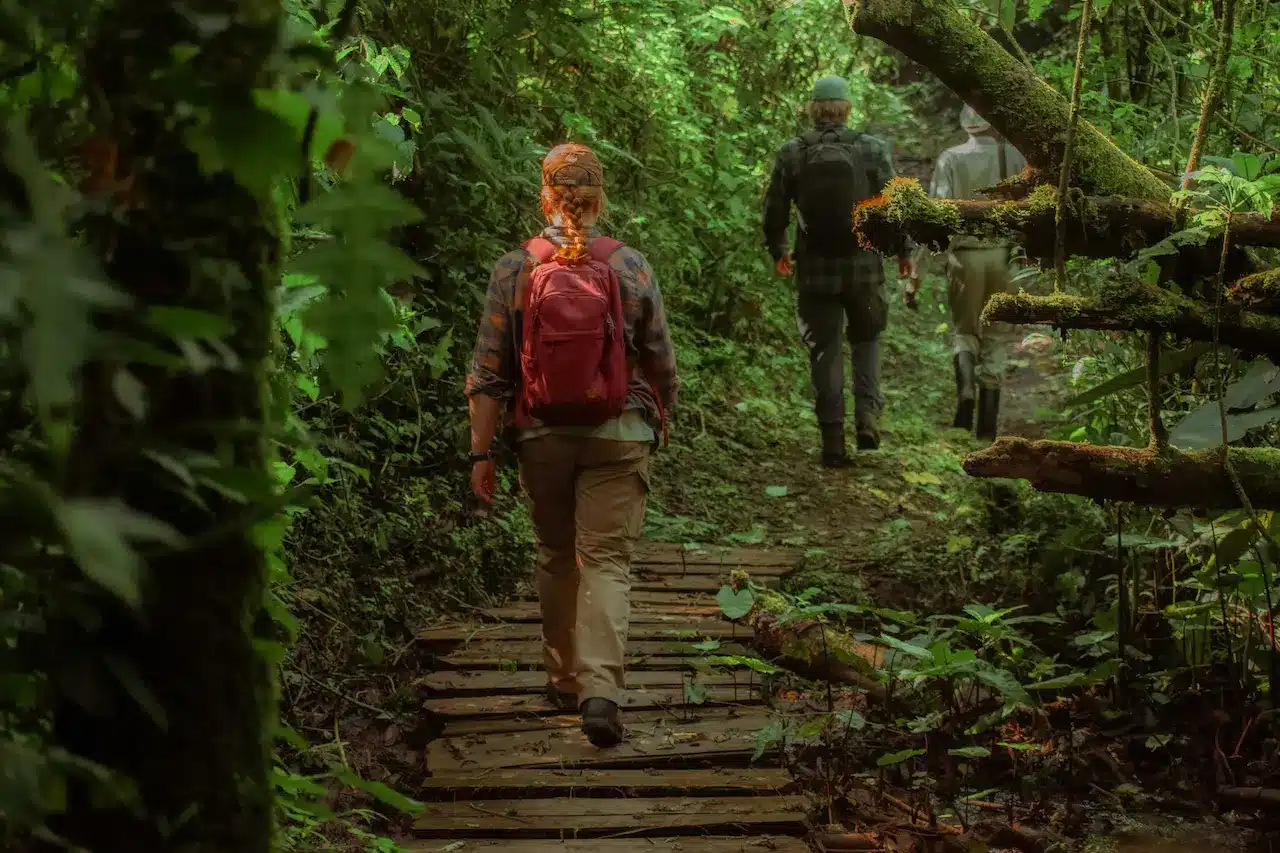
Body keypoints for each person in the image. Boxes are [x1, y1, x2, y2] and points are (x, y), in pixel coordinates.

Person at [465, 143, 677, 749]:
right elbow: (660, 359)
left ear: (545, 196)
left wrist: (482, 454)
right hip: (620, 432)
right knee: (607, 561)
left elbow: (488, 372)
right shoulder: (630, 265)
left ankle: (562, 679)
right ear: (600, 199)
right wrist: (660, 418)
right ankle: (601, 691)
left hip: (542, 435)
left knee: (558, 554)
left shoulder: (517, 268)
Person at [764, 75, 915, 467]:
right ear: (847, 108)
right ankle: (867, 418)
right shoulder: (871, 149)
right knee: (866, 341)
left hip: (814, 272)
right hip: (864, 269)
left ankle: (833, 442)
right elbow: (895, 206)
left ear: (813, 109)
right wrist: (904, 252)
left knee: (824, 352)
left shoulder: (792, 152)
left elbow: (775, 210)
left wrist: (780, 249)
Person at [906, 104, 1027, 439]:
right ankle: (986, 431)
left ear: (964, 123)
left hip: (965, 259)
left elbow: (936, 219)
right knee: (997, 337)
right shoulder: (1014, 157)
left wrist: (916, 276)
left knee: (964, 332)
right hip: (1004, 260)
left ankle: (965, 395)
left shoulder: (950, 158)